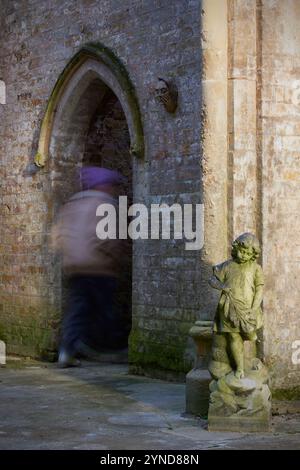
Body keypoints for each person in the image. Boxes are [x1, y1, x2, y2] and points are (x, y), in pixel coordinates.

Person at [51, 167, 129, 367]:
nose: (113, 189)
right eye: (111, 185)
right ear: (103, 185)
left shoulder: (73, 203)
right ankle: (109, 350)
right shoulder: (105, 203)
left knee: (78, 309)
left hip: (74, 266)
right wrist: (116, 257)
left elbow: (58, 235)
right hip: (98, 267)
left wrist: (69, 255)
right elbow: (108, 238)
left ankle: (67, 351)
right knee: (105, 310)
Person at [209, 232, 264, 379]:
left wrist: (254, 309)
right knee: (234, 336)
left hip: (248, 309)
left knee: (250, 336)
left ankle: (247, 362)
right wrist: (221, 286)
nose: (242, 255)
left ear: (253, 254)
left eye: (246, 253)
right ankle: (239, 367)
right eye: (240, 251)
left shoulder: (255, 268)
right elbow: (212, 280)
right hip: (228, 308)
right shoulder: (227, 265)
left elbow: (259, 289)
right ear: (235, 248)